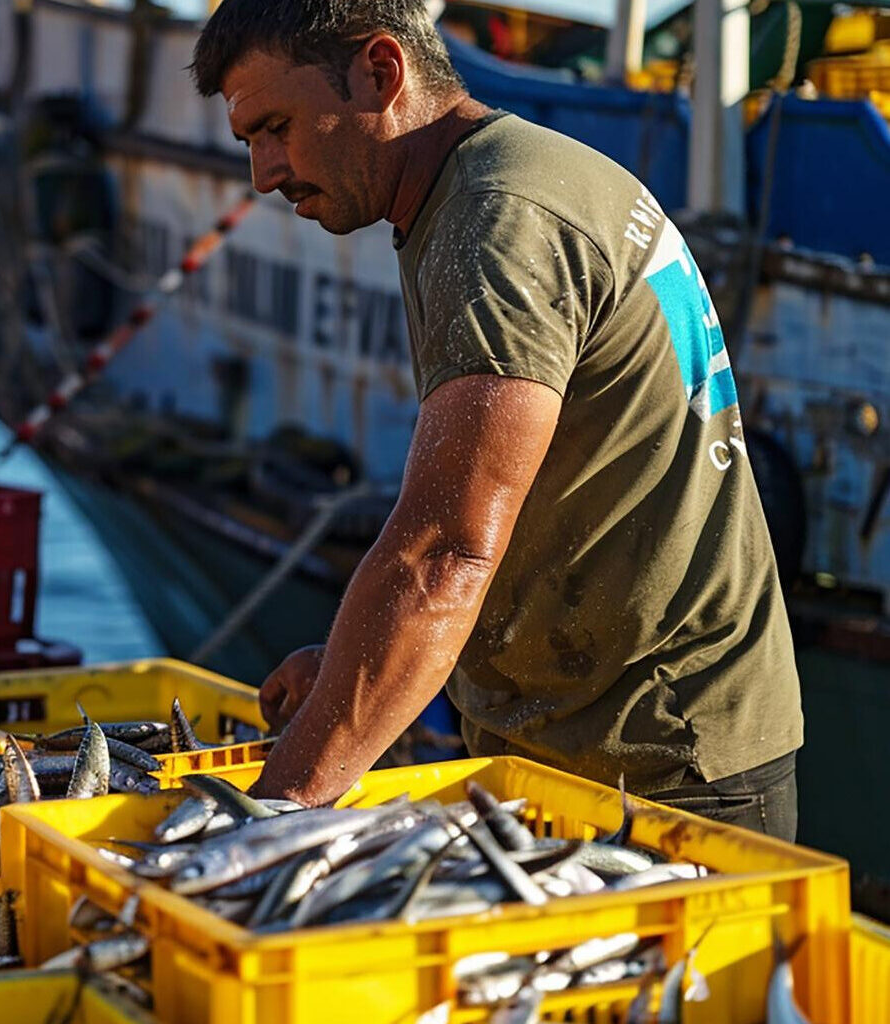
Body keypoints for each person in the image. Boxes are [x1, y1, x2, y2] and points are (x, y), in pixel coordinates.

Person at [190, 0, 803, 839]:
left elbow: (444, 552)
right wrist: (350, 671)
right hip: (594, 740)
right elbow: (534, 485)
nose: (263, 171)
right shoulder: (508, 180)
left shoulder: (497, 220)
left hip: (659, 767)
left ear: (380, 70)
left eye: (276, 126)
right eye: (249, 140)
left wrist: (269, 816)